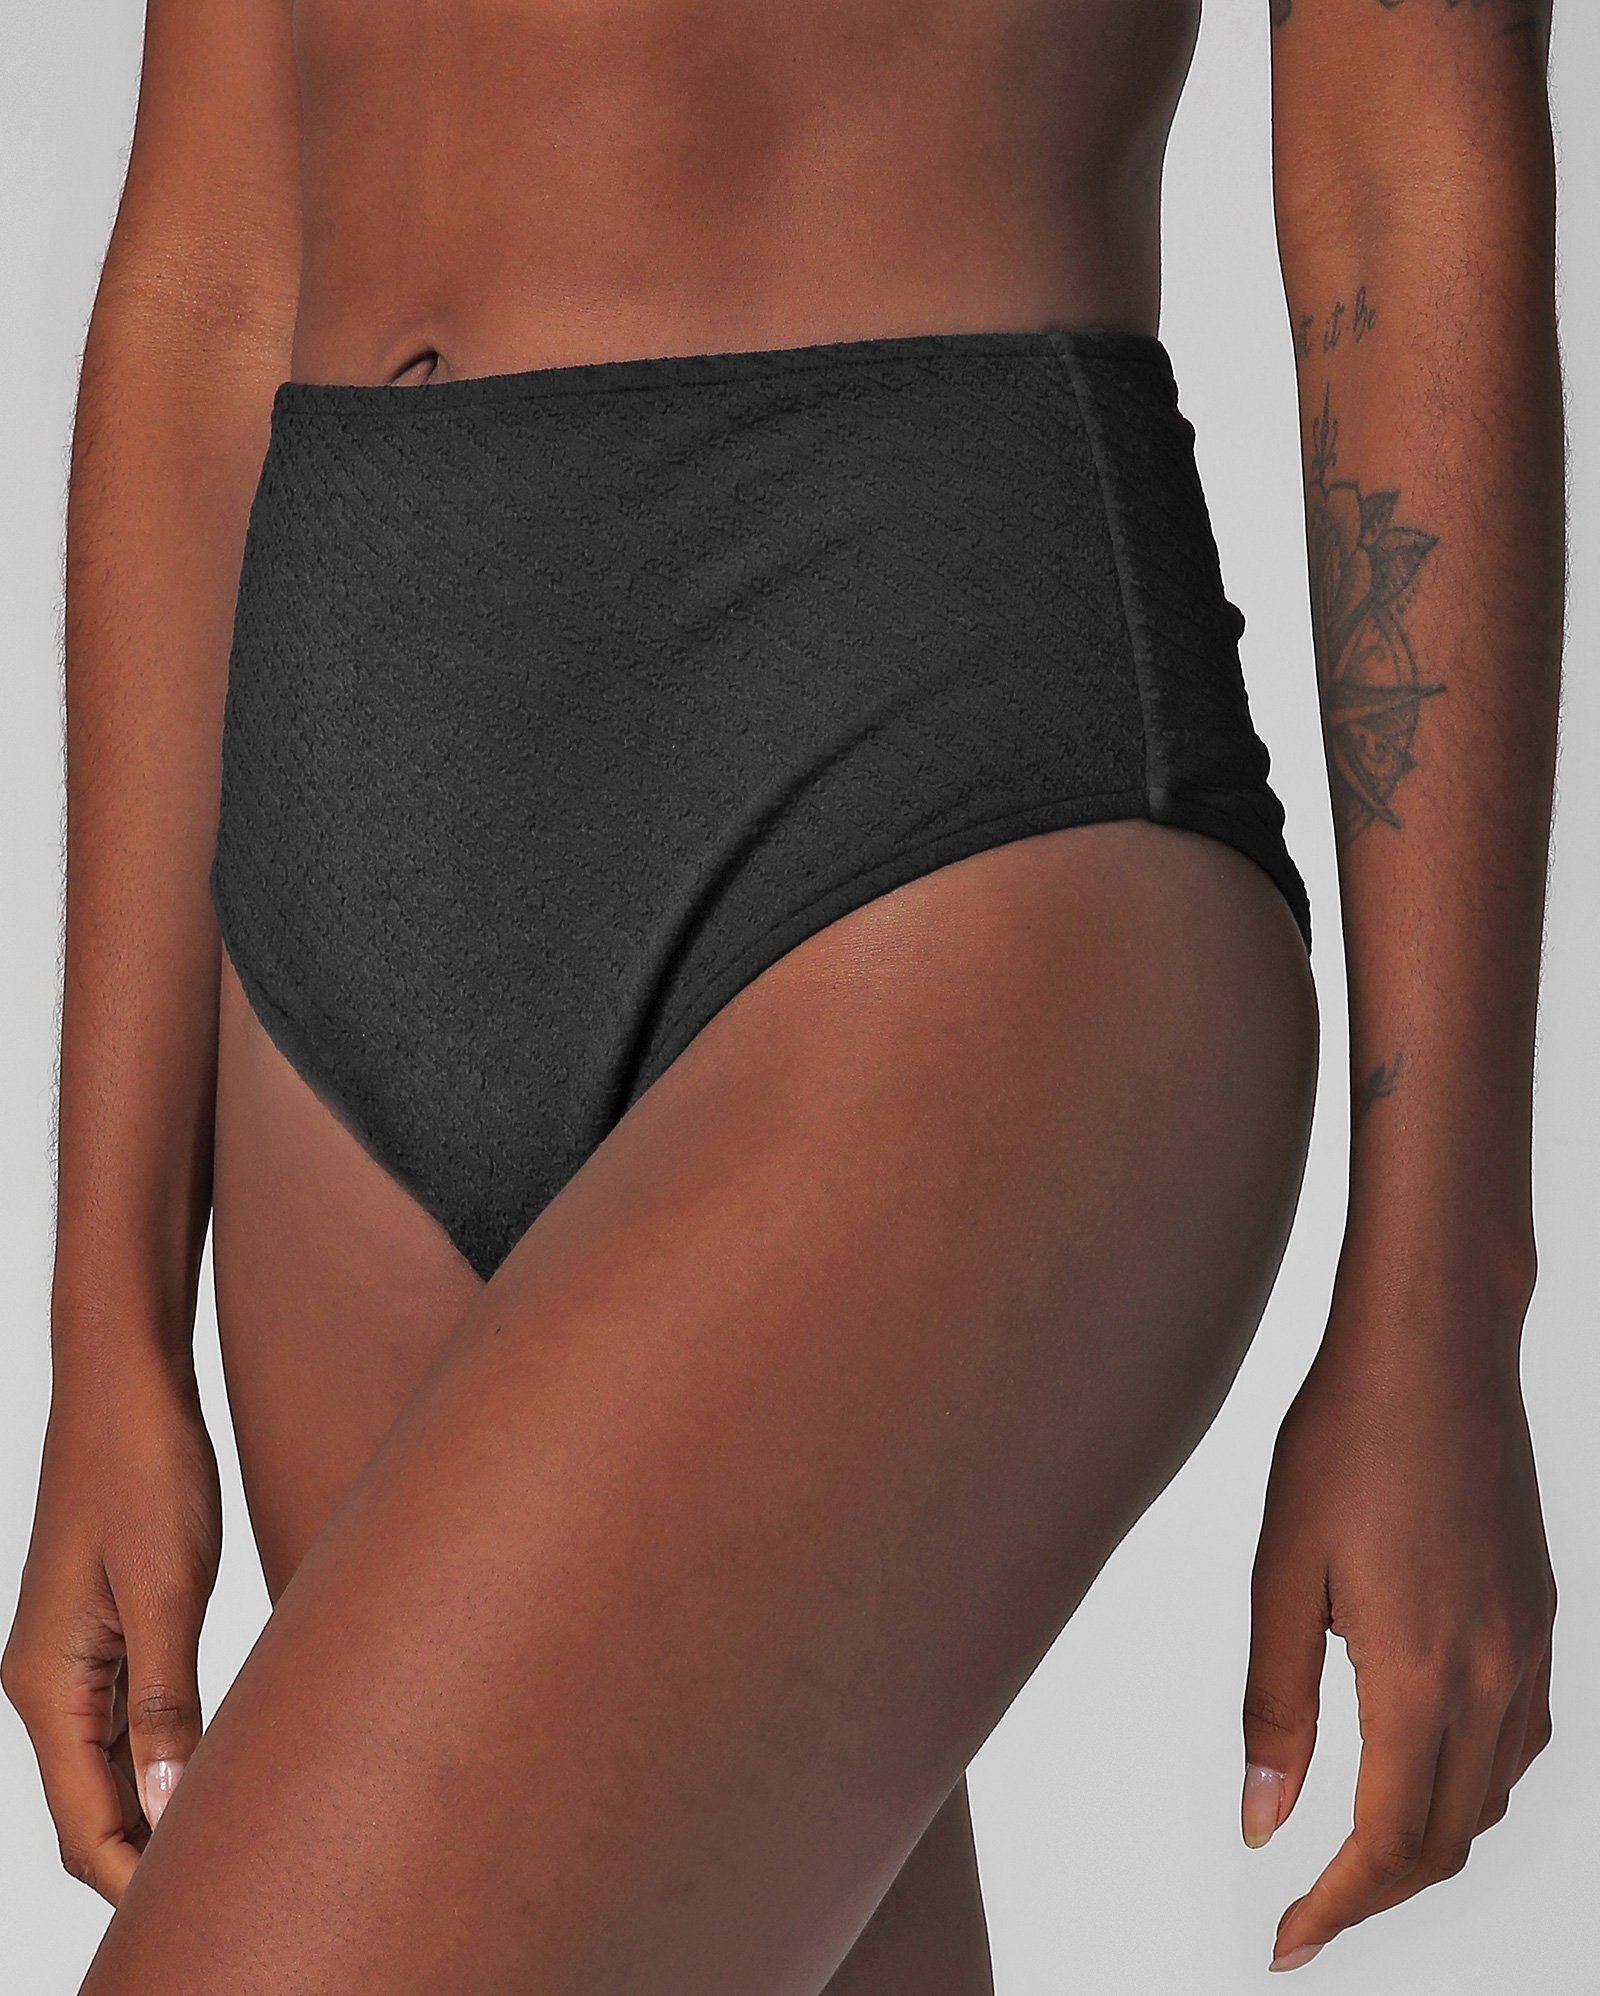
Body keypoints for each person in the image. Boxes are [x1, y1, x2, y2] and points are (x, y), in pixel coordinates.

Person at [3, 1, 1563, 1989]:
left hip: (928, 774)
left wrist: (1439, 1302)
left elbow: (1399, 169)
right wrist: (106, 1310)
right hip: (347, 845)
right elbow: (211, 267)